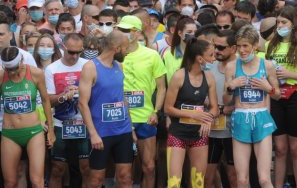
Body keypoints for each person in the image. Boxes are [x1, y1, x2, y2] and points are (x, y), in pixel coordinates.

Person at [265, 6, 297, 188]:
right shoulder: (269, 45)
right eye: (278, 22)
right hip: (276, 97)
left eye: (284, 22)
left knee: (296, 148)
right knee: (280, 149)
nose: (280, 26)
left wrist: (290, 74)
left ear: (293, 24)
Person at [224, 25, 280, 188]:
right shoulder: (232, 66)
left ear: (255, 45)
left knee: (264, 179)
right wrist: (231, 86)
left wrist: (268, 88)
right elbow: (226, 99)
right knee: (241, 179)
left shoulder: (267, 65)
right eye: (239, 46)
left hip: (261, 118)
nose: (241, 50)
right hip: (241, 117)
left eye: (245, 46)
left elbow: (278, 95)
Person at [78, 30, 134, 188]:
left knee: (125, 177)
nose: (128, 51)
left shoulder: (119, 66)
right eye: (126, 47)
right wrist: (93, 134)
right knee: (96, 180)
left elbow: (122, 98)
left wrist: (131, 127)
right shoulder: (90, 67)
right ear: (116, 48)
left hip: (123, 131)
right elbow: (82, 103)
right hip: (101, 134)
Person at [117, 15, 167, 188]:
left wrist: (156, 111)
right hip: (120, 119)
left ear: (136, 32)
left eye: (125, 30)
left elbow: (162, 87)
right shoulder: (114, 55)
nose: (121, 33)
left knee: (150, 167)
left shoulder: (151, 55)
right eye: (120, 29)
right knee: (124, 173)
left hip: (145, 117)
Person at [164, 38, 219, 188]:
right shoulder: (179, 76)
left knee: (198, 182)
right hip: (178, 134)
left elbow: (215, 108)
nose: (214, 59)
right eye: (211, 55)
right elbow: (168, 108)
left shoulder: (209, 77)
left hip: (199, 135)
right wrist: (193, 115)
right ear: (200, 59)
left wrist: (208, 119)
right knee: (174, 183)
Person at [0, 46, 55, 188]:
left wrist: (51, 130)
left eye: (14, 68)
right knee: (10, 182)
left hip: (33, 132)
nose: (11, 73)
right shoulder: (1, 76)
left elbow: (45, 100)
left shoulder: (36, 73)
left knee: (37, 181)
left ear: (22, 60)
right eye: (8, 69)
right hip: (10, 133)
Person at [45, 33, 90, 188]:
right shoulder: (52, 69)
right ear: (63, 47)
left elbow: (98, 95)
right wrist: (64, 96)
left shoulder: (88, 65)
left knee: (86, 168)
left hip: (84, 123)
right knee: (57, 169)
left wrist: (81, 90)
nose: (76, 56)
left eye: (79, 52)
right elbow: (48, 101)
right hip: (61, 123)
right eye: (71, 52)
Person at [205, 30, 238, 188]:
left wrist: (229, 108)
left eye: (221, 47)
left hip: (234, 131)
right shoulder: (209, 67)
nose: (216, 50)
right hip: (211, 129)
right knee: (206, 177)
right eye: (215, 46)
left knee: (234, 176)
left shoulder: (242, 67)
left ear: (233, 48)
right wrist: (211, 104)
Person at [162, 17, 197, 83]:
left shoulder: (200, 53)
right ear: (180, 33)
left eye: (195, 32)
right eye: (189, 32)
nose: (193, 35)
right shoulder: (168, 55)